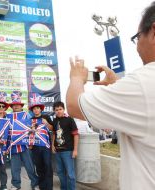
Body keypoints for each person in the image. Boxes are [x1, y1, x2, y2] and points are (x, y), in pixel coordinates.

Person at [66, 2, 155, 189]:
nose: (137, 44)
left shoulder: (144, 82)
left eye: (137, 36)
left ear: (153, 32)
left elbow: (74, 105)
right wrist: (117, 85)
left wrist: (76, 78)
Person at [8, 91, 39, 190]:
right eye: (14, 105)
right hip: (13, 146)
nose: (16, 106)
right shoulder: (7, 116)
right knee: (14, 168)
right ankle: (16, 184)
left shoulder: (27, 115)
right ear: (11, 106)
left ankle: (35, 183)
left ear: (21, 106)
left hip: (25, 145)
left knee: (30, 166)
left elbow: (32, 129)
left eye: (18, 104)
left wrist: (31, 143)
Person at [51, 101, 78, 190]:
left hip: (68, 151)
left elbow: (76, 135)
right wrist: (52, 145)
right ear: (54, 111)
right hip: (58, 152)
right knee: (60, 172)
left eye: (60, 109)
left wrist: (75, 150)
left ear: (64, 109)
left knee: (70, 174)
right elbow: (54, 134)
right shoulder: (54, 121)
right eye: (56, 110)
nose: (58, 111)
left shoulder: (70, 119)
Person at [29, 93, 53, 190]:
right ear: (32, 110)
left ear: (41, 109)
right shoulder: (30, 120)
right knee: (39, 167)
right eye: (34, 108)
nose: (36, 110)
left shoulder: (46, 117)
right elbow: (29, 134)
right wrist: (30, 144)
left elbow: (52, 129)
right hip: (35, 147)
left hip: (46, 146)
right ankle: (42, 187)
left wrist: (46, 123)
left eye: (38, 108)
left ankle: (49, 187)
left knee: (48, 166)